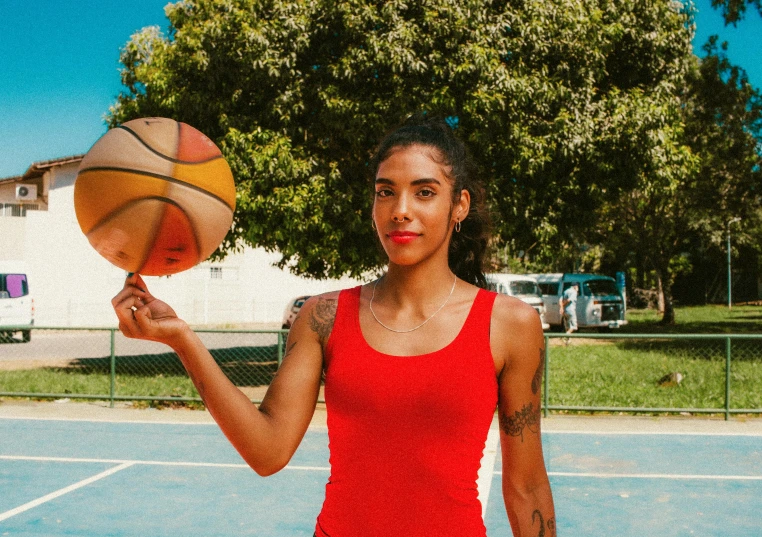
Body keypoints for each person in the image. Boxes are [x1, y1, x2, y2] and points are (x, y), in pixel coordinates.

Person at [112, 116, 556, 536]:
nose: (400, 210)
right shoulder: (324, 317)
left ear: (459, 205)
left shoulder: (509, 324)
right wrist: (183, 340)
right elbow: (268, 452)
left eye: (424, 192)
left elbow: (527, 486)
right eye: (385, 192)